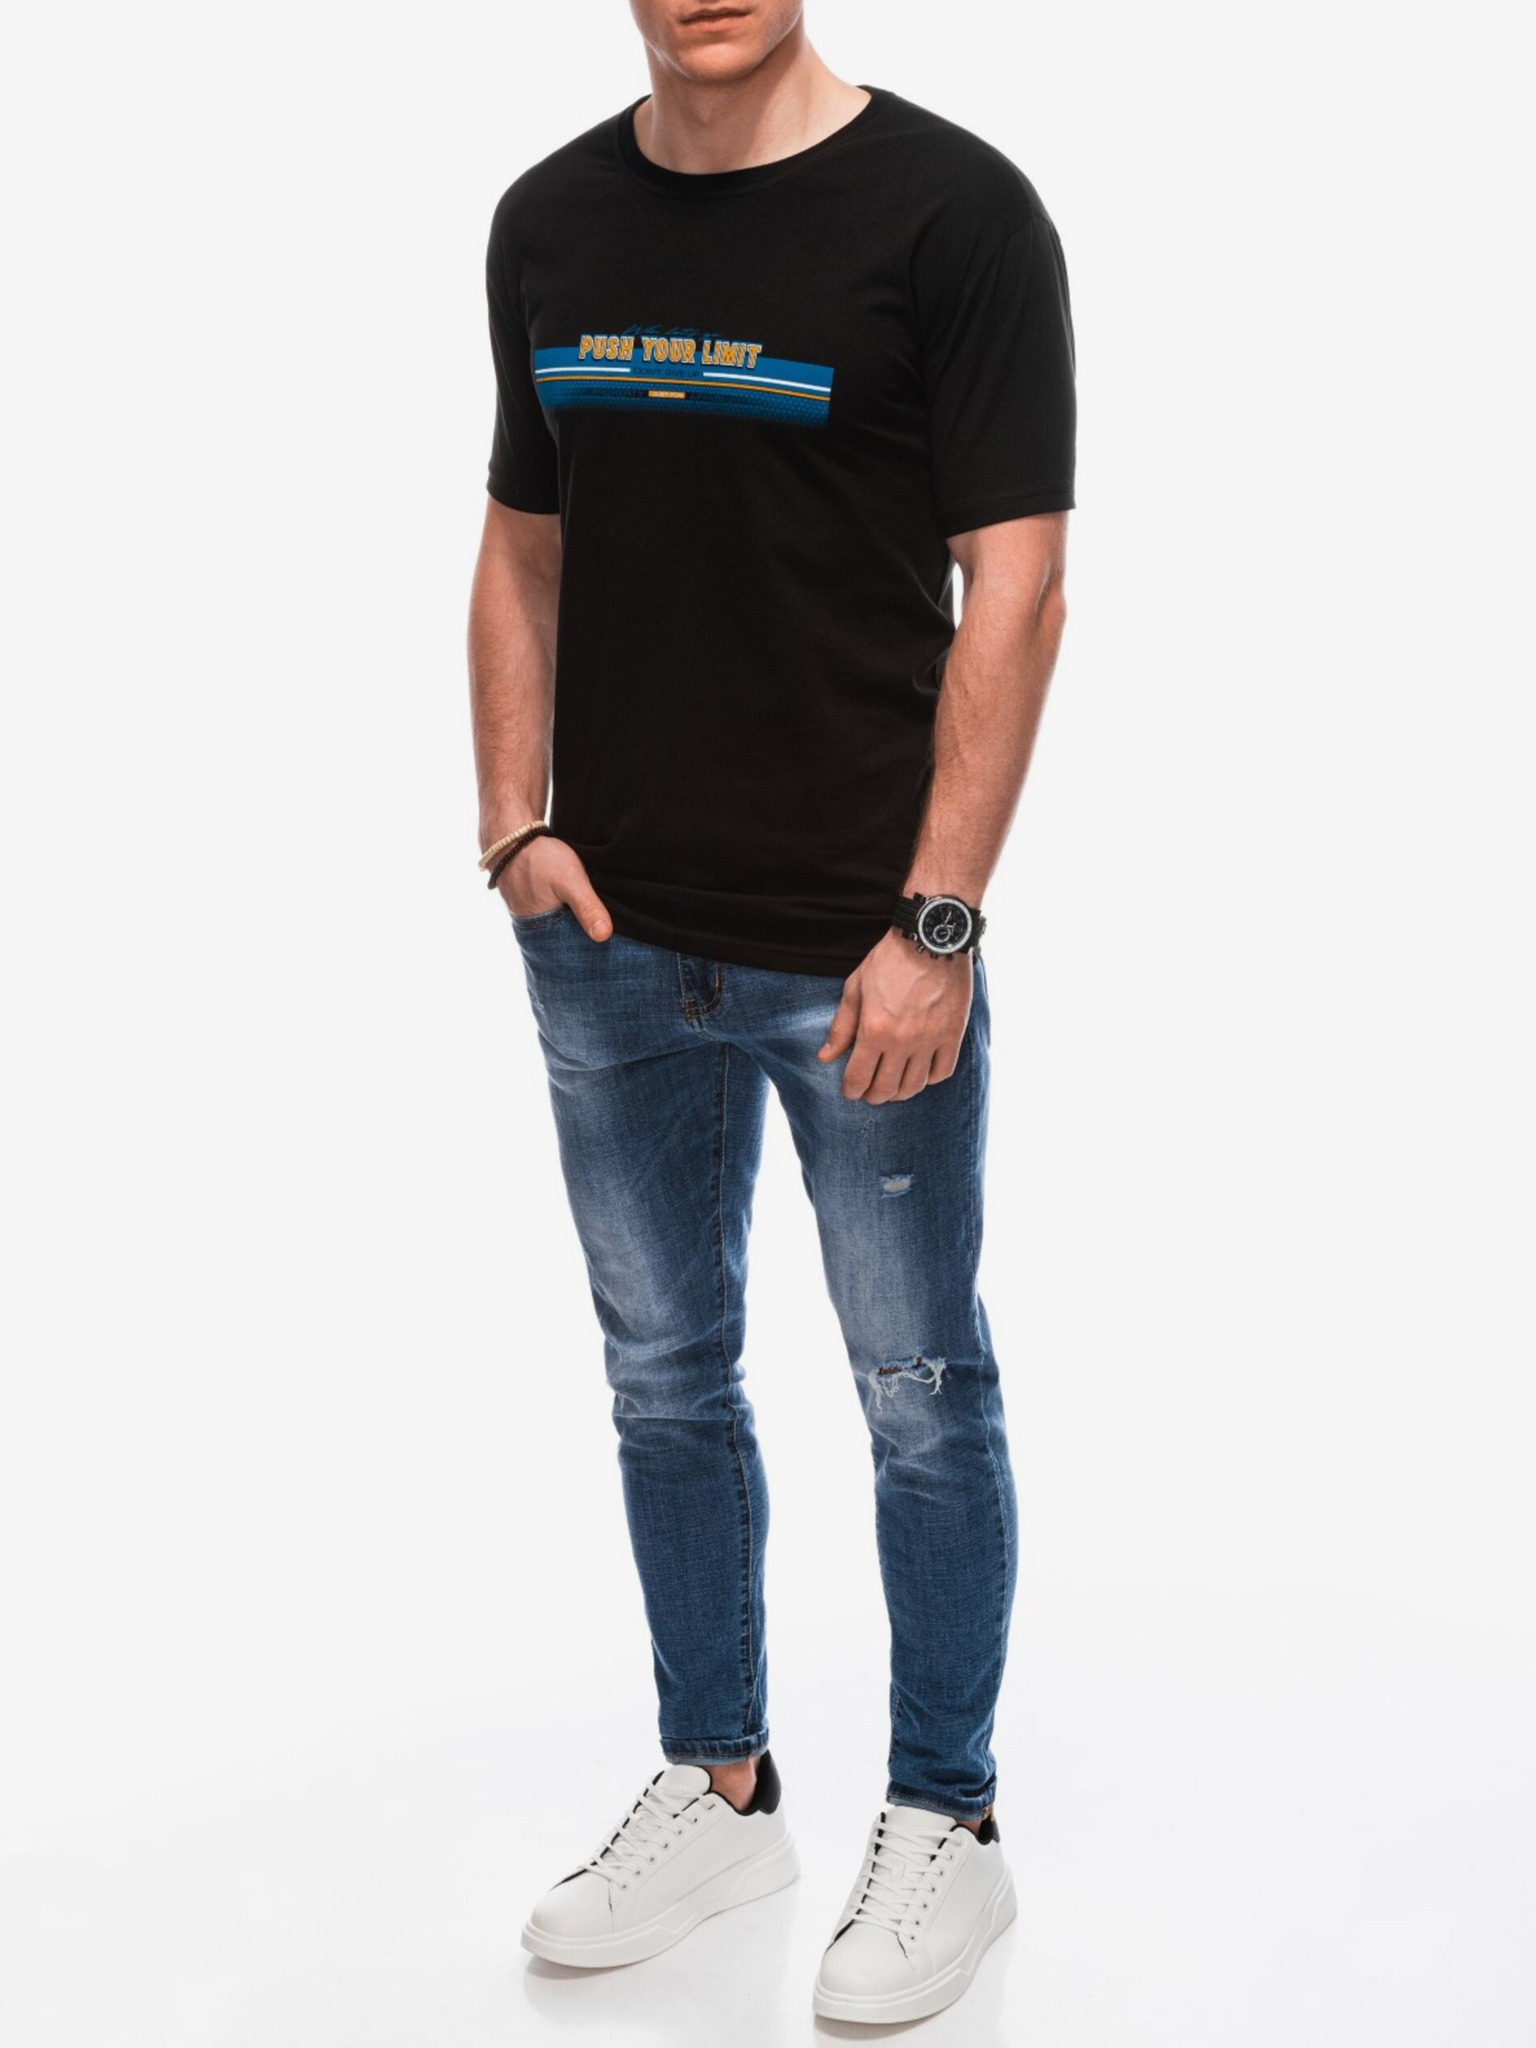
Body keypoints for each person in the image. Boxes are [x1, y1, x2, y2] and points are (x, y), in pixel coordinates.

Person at [467, 0, 1074, 2023]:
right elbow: (522, 546)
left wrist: (938, 922)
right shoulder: (550, 220)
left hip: (859, 949)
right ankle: (722, 1784)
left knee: (919, 1385)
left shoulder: (954, 214)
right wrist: (514, 827)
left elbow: (1018, 586)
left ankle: (950, 1819)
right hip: (613, 937)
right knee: (663, 1373)